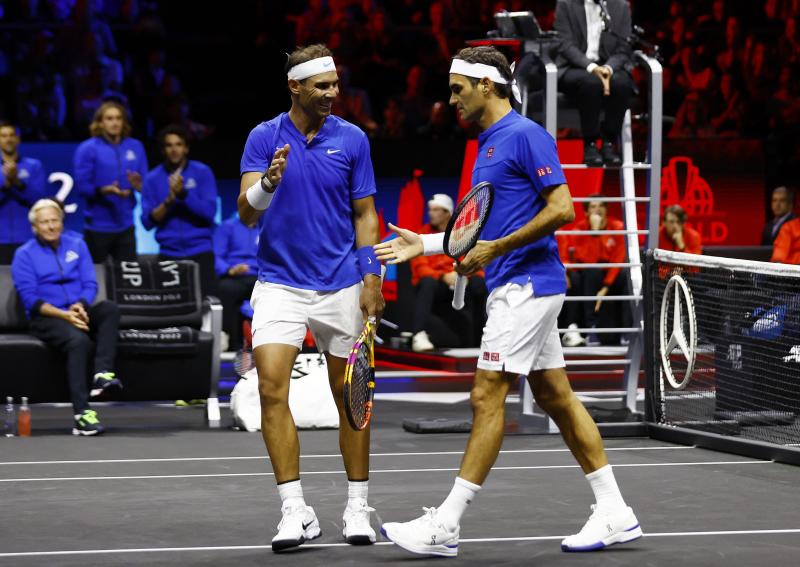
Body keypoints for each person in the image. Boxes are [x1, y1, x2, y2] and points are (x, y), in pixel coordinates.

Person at [375, 46, 641, 557]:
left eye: (458, 89)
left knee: (486, 395)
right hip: (514, 283)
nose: (450, 99)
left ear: (488, 86)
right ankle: (615, 511)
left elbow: (562, 208)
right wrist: (427, 244)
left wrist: (498, 249)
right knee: (556, 397)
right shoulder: (487, 145)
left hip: (527, 286)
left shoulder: (525, 135)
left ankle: (447, 524)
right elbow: (482, 227)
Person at [237, 44, 385, 552]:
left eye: (335, 84)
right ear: (295, 87)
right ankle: (294, 510)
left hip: (341, 282)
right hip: (279, 283)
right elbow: (246, 213)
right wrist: (268, 184)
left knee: (352, 399)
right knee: (271, 392)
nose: (332, 93)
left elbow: (365, 214)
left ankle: (357, 505)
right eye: (321, 85)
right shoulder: (263, 137)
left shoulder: (353, 140)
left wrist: (371, 280)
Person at [11, 199, 121, 436]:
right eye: (44, 222)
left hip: (76, 309)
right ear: (34, 227)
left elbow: (90, 283)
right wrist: (65, 315)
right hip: (46, 317)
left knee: (110, 309)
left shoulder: (77, 244)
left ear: (62, 221)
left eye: (55, 220)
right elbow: (32, 300)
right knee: (79, 341)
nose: (51, 226)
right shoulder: (24, 255)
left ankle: (102, 373)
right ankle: (82, 414)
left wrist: (80, 306)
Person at [554, 0, 635, 167]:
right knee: (591, 83)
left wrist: (608, 68)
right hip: (574, 67)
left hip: (609, 66)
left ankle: (609, 143)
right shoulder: (566, 4)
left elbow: (624, 47)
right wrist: (591, 67)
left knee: (622, 83)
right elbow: (565, 45)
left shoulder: (621, 6)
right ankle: (590, 144)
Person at [141, 124, 219, 299]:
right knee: (170, 312)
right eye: (169, 145)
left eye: (178, 144)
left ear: (186, 148)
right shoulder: (152, 179)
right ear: (163, 150)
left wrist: (184, 194)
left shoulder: (202, 172)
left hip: (201, 253)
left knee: (207, 307)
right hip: (168, 255)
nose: (174, 149)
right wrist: (168, 201)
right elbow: (147, 222)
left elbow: (209, 213)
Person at [409, 193, 486, 351]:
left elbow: (475, 263)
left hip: (461, 281)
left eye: (436, 210)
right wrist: (443, 276)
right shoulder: (421, 234)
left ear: (447, 213)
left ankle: (487, 334)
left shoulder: (464, 235)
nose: (430, 213)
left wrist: (463, 275)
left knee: (479, 283)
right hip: (437, 285)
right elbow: (420, 267)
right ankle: (418, 334)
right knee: (428, 283)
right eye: (430, 209)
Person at [73, 101, 148, 263]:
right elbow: (82, 187)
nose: (114, 123)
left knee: (127, 281)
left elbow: (146, 186)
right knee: (97, 279)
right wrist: (104, 190)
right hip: (97, 228)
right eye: (109, 118)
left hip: (126, 225)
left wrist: (139, 187)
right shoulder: (87, 149)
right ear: (100, 122)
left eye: (118, 118)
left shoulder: (136, 147)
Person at [560, 195, 627, 346]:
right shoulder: (580, 230)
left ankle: (629, 330)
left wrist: (605, 287)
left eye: (601, 205)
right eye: (593, 206)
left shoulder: (617, 227)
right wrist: (595, 233)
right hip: (589, 273)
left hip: (611, 274)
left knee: (627, 274)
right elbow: (587, 260)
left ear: (606, 209)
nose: (598, 209)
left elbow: (617, 260)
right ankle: (590, 328)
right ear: (586, 212)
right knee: (590, 273)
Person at [0, 121, 47, 264]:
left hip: (27, 237)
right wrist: (7, 184)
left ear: (18, 139)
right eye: (3, 135)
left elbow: (39, 200)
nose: (8, 139)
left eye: (12, 135)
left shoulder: (34, 166)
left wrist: (18, 182)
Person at [214, 214, 259, 352]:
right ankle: (232, 344)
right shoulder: (227, 227)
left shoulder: (267, 227)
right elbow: (216, 256)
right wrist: (230, 270)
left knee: (277, 291)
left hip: (260, 277)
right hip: (235, 276)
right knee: (225, 290)